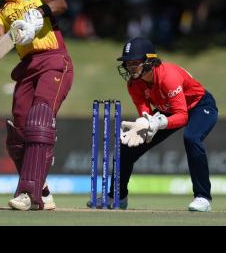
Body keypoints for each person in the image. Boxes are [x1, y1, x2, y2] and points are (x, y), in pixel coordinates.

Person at [0, 0, 74, 211]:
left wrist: (39, 14)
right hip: (27, 68)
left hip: (54, 60)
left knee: (39, 120)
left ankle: (28, 193)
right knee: (18, 133)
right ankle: (42, 190)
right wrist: (16, 33)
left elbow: (61, 3)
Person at [88, 37, 218, 211]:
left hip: (198, 106)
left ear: (150, 61)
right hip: (167, 110)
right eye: (127, 63)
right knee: (126, 146)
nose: (130, 68)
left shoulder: (168, 77)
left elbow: (182, 115)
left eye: (135, 63)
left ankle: (203, 198)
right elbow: (145, 111)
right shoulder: (134, 84)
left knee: (191, 138)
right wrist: (144, 123)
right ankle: (118, 196)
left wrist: (158, 122)